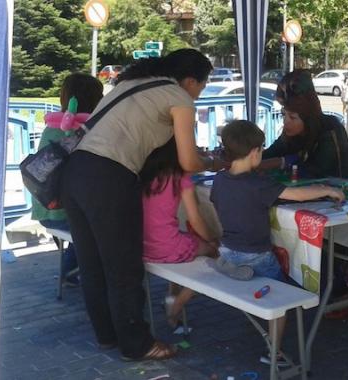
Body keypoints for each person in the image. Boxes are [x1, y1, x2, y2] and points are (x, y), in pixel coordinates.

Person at [61, 48, 221, 361]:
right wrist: (213, 163)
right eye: (201, 87)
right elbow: (188, 160)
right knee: (124, 268)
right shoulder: (178, 97)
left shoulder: (130, 83)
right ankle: (137, 344)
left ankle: (107, 336)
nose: (199, 95)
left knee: (93, 265)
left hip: (75, 172)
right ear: (190, 80)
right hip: (109, 177)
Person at [210, 120, 344, 365]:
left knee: (245, 264)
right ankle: (273, 353)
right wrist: (327, 189)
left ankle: (233, 268)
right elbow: (297, 194)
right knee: (283, 300)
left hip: (228, 248)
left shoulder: (219, 180)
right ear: (254, 153)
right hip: (257, 256)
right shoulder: (258, 184)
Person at [31, 73, 103, 286]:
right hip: (65, 213)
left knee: (81, 231)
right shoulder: (86, 131)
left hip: (44, 208)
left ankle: (69, 271)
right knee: (99, 228)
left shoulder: (51, 127)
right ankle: (82, 274)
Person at [139, 137, 218, 329]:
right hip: (169, 248)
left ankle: (172, 295)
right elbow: (195, 219)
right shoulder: (180, 177)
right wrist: (212, 241)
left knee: (184, 241)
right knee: (216, 254)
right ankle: (177, 304)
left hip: (142, 248)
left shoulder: (141, 174)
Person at [260, 69, 348, 180]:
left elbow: (316, 171)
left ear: (308, 116)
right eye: (284, 115)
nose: (285, 122)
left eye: (292, 117)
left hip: (343, 193)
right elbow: (270, 154)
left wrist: (282, 162)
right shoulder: (290, 135)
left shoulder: (330, 129)